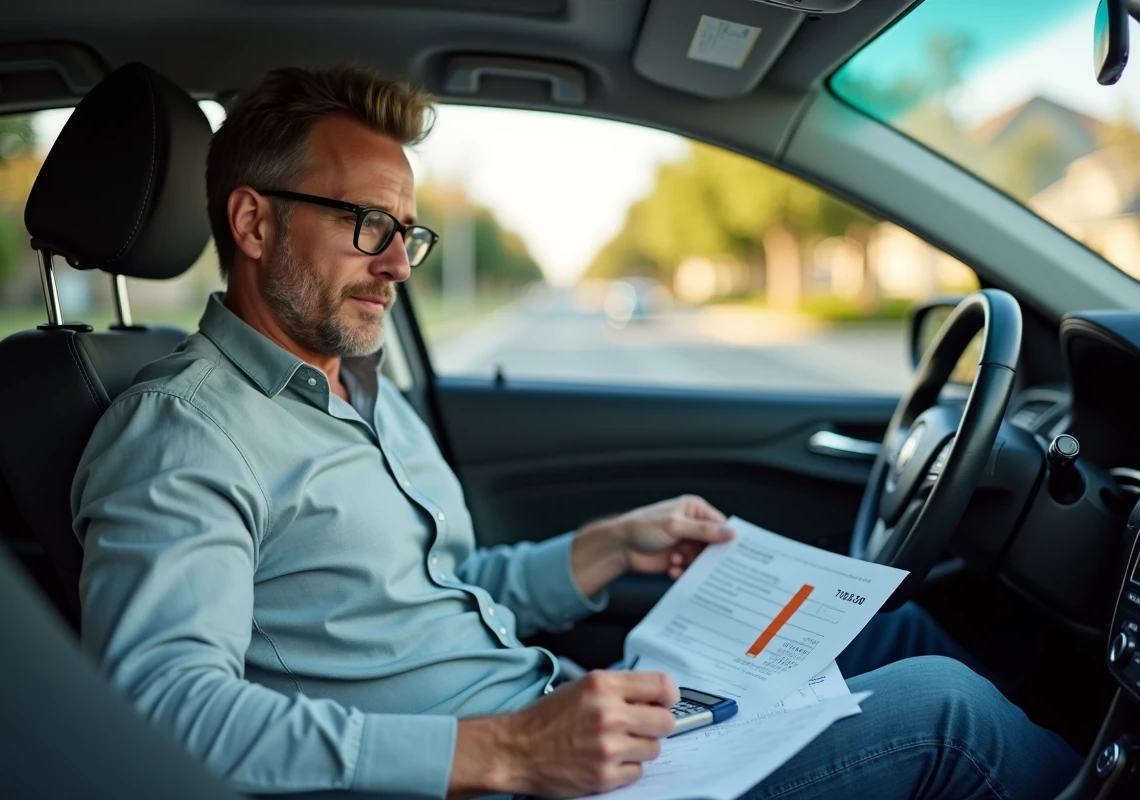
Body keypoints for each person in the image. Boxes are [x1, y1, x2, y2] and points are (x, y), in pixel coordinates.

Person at [72, 65, 1082, 800]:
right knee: (946, 710)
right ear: (253, 224)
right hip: (515, 778)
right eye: (365, 224)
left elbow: (442, 592)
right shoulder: (183, 431)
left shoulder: (358, 384)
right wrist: (512, 750)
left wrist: (607, 547)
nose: (399, 263)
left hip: (562, 722)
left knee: (896, 631)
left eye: (407, 231)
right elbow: (157, 712)